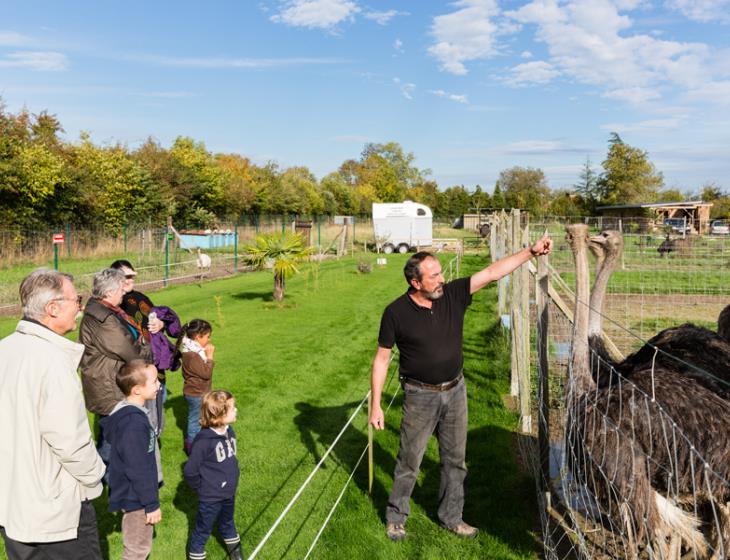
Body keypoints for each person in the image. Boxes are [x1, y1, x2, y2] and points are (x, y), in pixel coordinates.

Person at [369, 235, 553, 541]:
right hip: (420, 396)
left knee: (455, 460)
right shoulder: (395, 313)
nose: (442, 279)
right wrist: (376, 405)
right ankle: (396, 516)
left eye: (441, 272)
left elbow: (493, 272)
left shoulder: (453, 294)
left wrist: (531, 252)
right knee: (409, 461)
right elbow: (382, 359)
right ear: (415, 283)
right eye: (434, 276)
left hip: (455, 392)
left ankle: (452, 517)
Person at [0, 269, 106, 558]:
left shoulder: (5, 350)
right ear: (53, 308)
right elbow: (70, 441)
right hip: (55, 512)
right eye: (76, 299)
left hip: (13, 507)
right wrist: (97, 476)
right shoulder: (51, 362)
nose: (81, 307)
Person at [79, 268, 153, 467]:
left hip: (112, 382)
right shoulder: (101, 318)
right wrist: (147, 349)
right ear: (110, 292)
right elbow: (128, 351)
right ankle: (104, 489)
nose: (124, 292)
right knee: (112, 445)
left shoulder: (107, 312)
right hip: (110, 387)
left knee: (116, 441)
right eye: (121, 289)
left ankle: (113, 485)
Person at [101, 360, 163, 559]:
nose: (159, 384)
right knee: (137, 550)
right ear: (137, 390)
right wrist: (151, 503)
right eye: (154, 381)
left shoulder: (129, 413)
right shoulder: (133, 424)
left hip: (136, 494)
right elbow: (138, 468)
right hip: (136, 498)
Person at [184, 390, 242, 560]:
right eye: (232, 408)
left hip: (228, 493)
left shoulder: (229, 432)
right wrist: (202, 489)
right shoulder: (203, 441)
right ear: (217, 416)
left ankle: (236, 553)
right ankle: (196, 555)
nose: (236, 410)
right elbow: (190, 471)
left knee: (228, 522)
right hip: (210, 497)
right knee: (203, 529)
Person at [178, 319, 216, 455]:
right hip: (196, 394)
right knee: (195, 421)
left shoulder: (192, 350)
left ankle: (202, 445)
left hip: (197, 392)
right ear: (197, 336)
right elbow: (206, 373)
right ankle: (193, 449)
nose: (209, 339)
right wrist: (210, 357)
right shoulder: (193, 355)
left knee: (202, 419)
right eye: (207, 336)